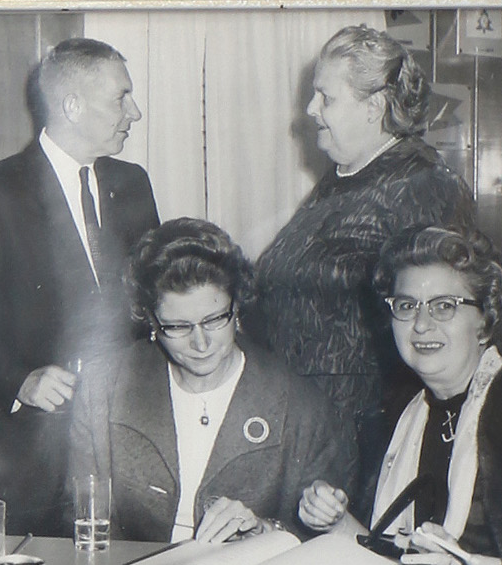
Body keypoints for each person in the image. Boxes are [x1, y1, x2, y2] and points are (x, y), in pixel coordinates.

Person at [0, 37, 160, 533]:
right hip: (30, 458)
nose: (134, 112)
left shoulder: (133, 184)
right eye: (121, 98)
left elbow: (153, 300)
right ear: (71, 105)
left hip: (129, 449)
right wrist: (20, 380)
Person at [242, 25, 481, 467]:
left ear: (373, 107)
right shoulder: (343, 178)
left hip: (366, 438)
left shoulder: (423, 185)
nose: (311, 110)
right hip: (305, 423)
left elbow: (438, 325)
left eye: (326, 98)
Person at [69, 217, 352, 548]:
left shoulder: (301, 407)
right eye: (177, 327)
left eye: (215, 320)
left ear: (237, 306)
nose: (200, 344)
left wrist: (264, 531)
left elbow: (322, 543)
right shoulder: (103, 388)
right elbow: (79, 519)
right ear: (151, 321)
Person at [297, 222, 502, 565]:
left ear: (485, 320)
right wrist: (337, 522)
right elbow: (391, 563)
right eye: (407, 306)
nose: (421, 325)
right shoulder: (397, 414)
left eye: (444, 306)